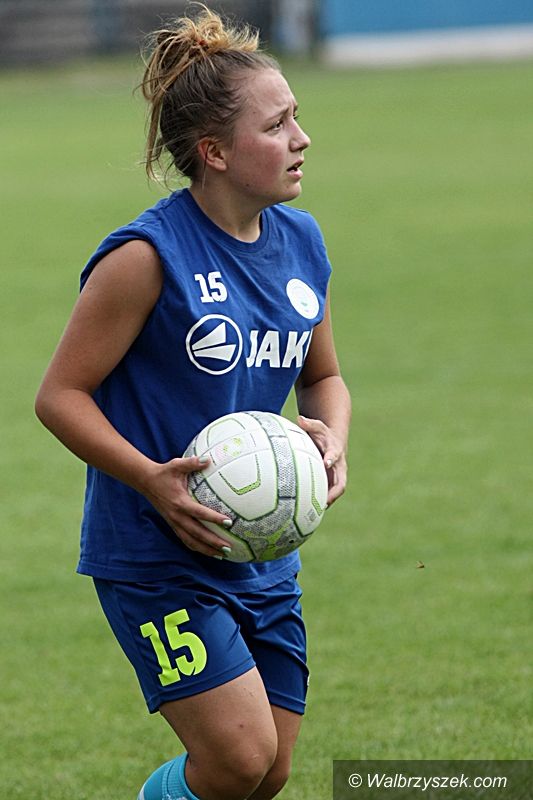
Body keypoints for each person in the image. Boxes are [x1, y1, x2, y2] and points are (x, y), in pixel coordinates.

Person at [35, 6, 351, 800]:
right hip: (155, 555)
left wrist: (332, 438)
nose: (301, 138)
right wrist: (150, 479)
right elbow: (60, 396)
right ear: (213, 151)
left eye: (295, 117)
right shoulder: (147, 258)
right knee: (237, 759)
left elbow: (323, 377)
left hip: (260, 548)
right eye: (276, 126)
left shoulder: (302, 243)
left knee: (266, 773)